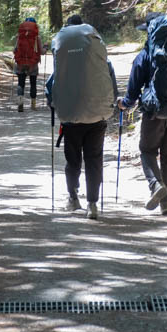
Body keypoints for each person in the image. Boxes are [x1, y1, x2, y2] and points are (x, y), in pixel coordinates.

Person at [117, 11, 167, 215]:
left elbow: (133, 91)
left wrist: (124, 104)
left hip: (155, 112)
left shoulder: (145, 56)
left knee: (147, 150)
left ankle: (156, 185)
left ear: (150, 32)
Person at [45, 14, 118, 220]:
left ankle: (73, 197)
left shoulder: (64, 55)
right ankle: (92, 204)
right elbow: (111, 82)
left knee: (73, 160)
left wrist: (52, 102)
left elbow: (51, 86)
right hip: (97, 116)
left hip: (71, 117)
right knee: (94, 160)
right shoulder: (99, 56)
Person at [13, 17, 45, 112]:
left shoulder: (19, 36)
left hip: (20, 64)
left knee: (20, 84)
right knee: (33, 83)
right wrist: (45, 48)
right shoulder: (37, 37)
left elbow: (15, 50)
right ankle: (33, 105)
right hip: (33, 65)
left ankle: (20, 104)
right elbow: (42, 52)